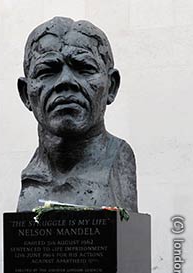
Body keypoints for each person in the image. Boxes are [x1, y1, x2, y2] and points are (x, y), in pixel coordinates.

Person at [17, 16, 138, 213]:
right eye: (47, 71)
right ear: (25, 94)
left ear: (111, 87)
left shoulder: (119, 162)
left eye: (84, 68)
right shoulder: (32, 178)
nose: (66, 81)